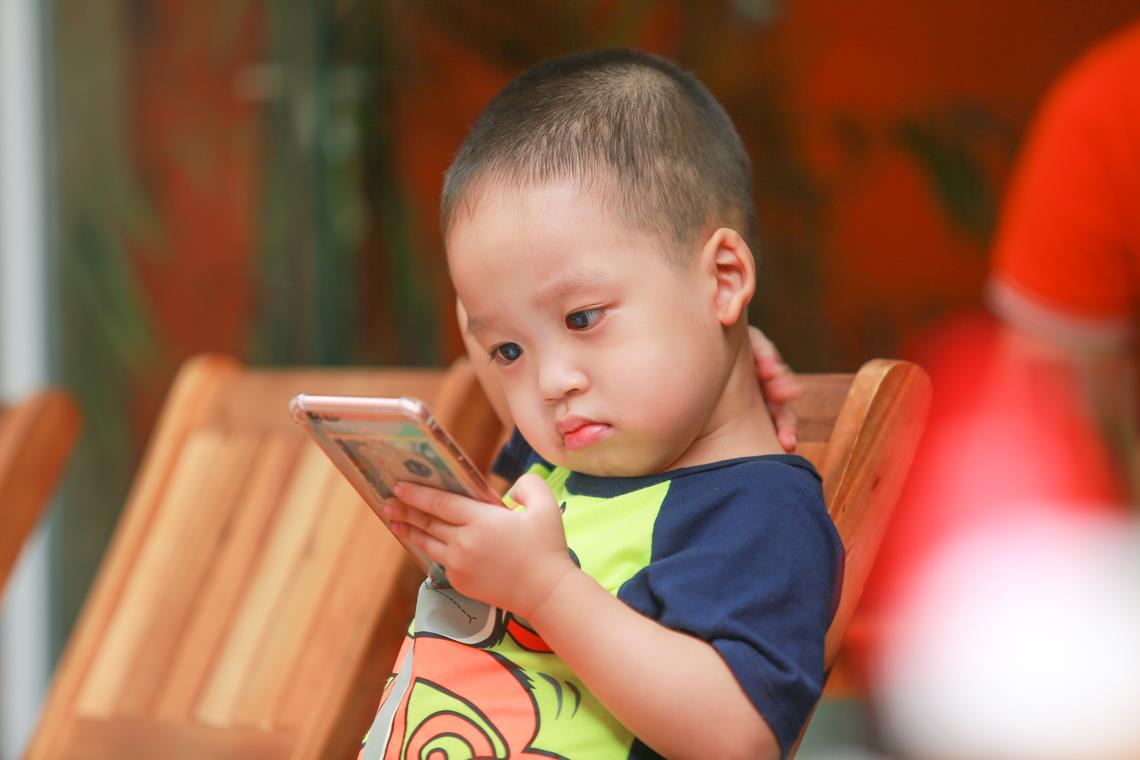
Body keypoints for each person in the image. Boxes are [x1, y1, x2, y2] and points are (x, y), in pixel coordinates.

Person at [359, 49, 844, 760]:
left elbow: (737, 738)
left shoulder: (754, 509)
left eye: (583, 318)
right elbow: (485, 319)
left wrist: (546, 589)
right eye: (510, 352)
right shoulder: (557, 452)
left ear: (725, 278)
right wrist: (703, 316)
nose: (550, 382)